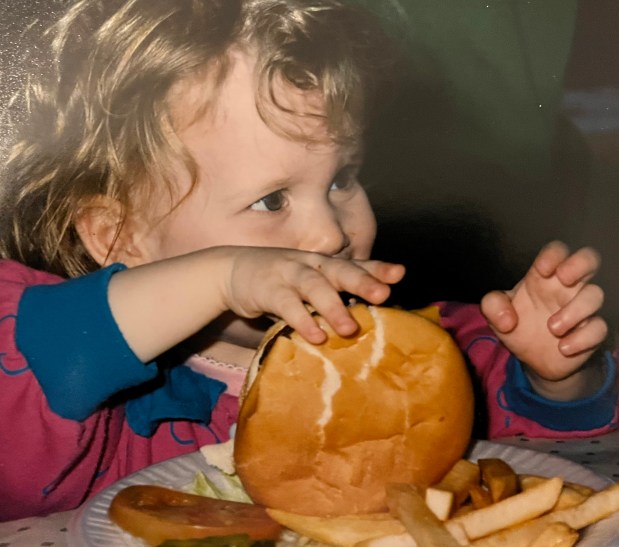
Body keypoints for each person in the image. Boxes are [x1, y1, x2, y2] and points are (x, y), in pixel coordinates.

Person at [0, 0, 614, 522]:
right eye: (271, 200)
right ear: (116, 234)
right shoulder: (89, 391)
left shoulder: (401, 353)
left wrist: (553, 378)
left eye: (342, 178)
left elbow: (518, 424)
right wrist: (224, 276)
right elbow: (35, 357)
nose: (328, 233)